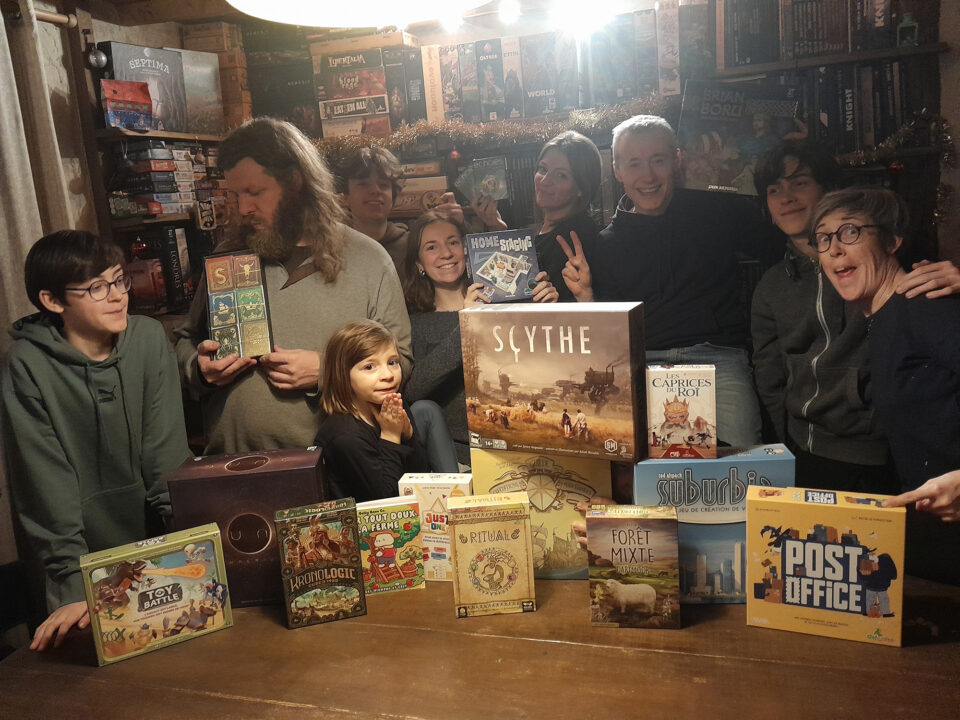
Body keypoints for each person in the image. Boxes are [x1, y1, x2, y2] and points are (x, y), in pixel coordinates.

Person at [174, 118, 412, 454]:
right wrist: (198, 369)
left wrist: (329, 372)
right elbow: (185, 340)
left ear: (296, 183)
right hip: (232, 463)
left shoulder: (369, 260)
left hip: (333, 467)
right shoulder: (229, 257)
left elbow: (402, 362)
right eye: (236, 194)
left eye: (255, 192)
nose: (243, 208)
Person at [2, 230, 191, 651]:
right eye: (97, 288)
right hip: (78, 562)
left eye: (119, 280)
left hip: (161, 547)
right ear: (53, 301)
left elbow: (165, 455)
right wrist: (72, 579)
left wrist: (190, 545)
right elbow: (45, 484)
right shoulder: (25, 365)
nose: (118, 296)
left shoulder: (147, 338)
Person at [558, 115, 783, 447]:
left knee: (741, 456)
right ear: (617, 171)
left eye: (658, 160)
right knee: (633, 456)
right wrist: (587, 296)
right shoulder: (606, 244)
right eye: (634, 164)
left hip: (718, 358)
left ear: (677, 161)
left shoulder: (716, 211)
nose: (648, 176)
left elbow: (776, 246)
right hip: (644, 362)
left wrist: (782, 153)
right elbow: (609, 338)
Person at [751, 141, 960, 491]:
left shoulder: (905, 278)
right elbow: (769, 376)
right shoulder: (771, 287)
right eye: (774, 190)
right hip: (808, 448)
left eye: (800, 183)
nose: (786, 198)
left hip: (883, 453)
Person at [813, 187, 960, 583]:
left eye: (850, 232)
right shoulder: (884, 318)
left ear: (893, 241)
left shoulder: (924, 306)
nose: (834, 249)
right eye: (823, 237)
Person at [402, 210, 559, 465]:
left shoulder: (505, 303)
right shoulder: (414, 322)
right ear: (419, 263)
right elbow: (414, 390)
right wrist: (467, 323)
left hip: (520, 442)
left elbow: (540, 363)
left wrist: (549, 311)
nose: (446, 253)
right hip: (456, 456)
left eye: (453, 242)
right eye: (431, 247)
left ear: (467, 251)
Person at [314, 320, 456, 502]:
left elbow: (418, 475)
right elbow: (387, 502)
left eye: (392, 362)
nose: (388, 375)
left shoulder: (390, 404)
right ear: (342, 374)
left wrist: (408, 436)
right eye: (369, 367)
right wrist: (391, 436)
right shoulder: (345, 436)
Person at [473, 130, 603, 303]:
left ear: (581, 188)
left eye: (561, 175)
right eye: (543, 169)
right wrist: (496, 228)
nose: (545, 180)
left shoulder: (579, 239)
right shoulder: (540, 230)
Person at [334, 145, 466, 282]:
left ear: (393, 198)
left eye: (383, 185)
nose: (375, 191)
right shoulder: (332, 248)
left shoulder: (413, 246)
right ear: (345, 197)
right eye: (363, 184)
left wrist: (460, 226)